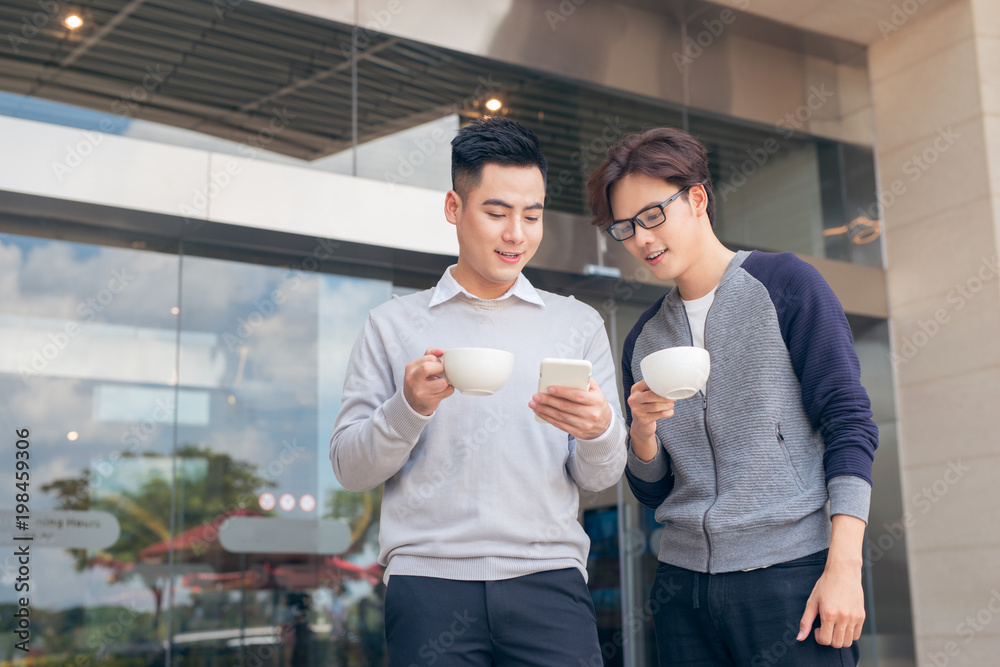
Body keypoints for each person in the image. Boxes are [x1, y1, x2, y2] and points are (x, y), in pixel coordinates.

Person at [329, 117, 627, 666]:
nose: (516, 233)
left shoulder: (577, 325)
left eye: (531, 215)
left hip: (550, 583)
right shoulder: (391, 325)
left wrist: (600, 430)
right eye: (496, 212)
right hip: (428, 586)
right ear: (453, 209)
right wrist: (409, 407)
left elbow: (600, 474)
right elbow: (350, 469)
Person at [586, 127, 878, 666]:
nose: (641, 240)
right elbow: (654, 492)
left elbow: (850, 424)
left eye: (652, 216)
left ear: (697, 198)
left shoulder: (787, 284)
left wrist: (844, 568)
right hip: (682, 590)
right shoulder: (644, 339)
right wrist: (643, 434)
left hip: (791, 578)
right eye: (624, 228)